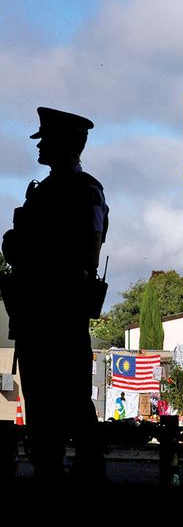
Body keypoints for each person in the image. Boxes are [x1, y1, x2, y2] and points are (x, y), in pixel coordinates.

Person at [1, 107, 109, 484]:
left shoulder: (84, 191)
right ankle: (50, 470)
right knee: (41, 399)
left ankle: (84, 475)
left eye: (46, 140)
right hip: (36, 311)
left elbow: (86, 251)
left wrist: (25, 244)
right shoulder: (47, 190)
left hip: (60, 311)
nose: (40, 146)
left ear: (65, 144)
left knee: (72, 399)